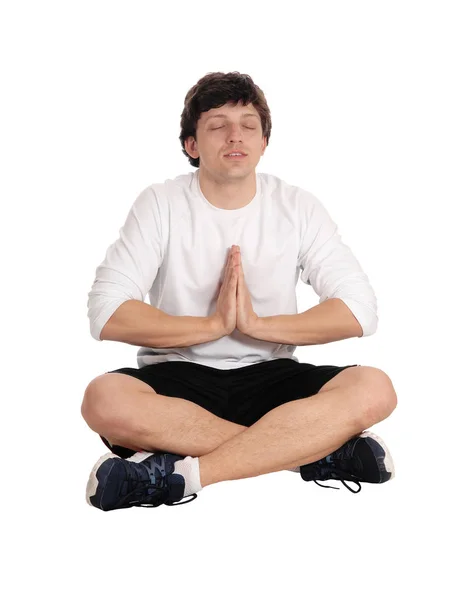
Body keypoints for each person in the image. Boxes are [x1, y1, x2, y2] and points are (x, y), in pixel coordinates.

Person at [82, 71, 397, 511]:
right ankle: (315, 453)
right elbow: (107, 313)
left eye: (249, 125)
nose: (235, 135)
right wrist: (211, 326)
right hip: (177, 377)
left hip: (272, 376)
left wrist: (257, 326)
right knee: (104, 400)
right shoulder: (160, 203)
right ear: (192, 145)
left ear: (264, 142)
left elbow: (359, 311)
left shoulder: (297, 206)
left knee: (375, 387)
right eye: (217, 125)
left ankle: (178, 476)